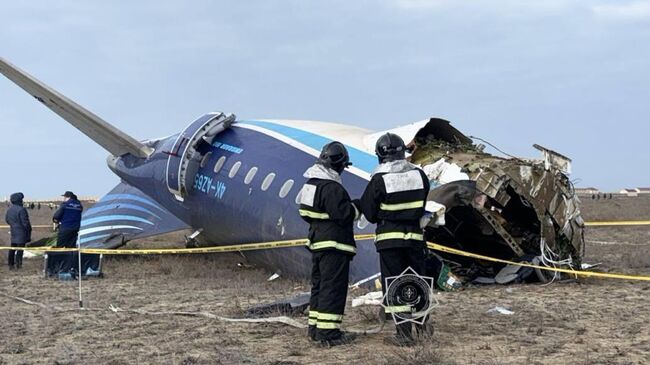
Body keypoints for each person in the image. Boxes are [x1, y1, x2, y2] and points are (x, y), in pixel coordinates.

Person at [357, 133, 431, 346]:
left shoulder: (379, 179)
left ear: (380, 155)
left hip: (390, 242)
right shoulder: (419, 175)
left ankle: (404, 334)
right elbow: (423, 203)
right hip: (415, 239)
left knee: (396, 284)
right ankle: (423, 325)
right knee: (418, 281)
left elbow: (369, 213)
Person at [298, 141, 359, 347]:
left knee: (320, 286)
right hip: (334, 246)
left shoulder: (310, 184)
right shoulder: (332, 187)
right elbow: (343, 215)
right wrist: (357, 207)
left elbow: (304, 213)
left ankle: (315, 329)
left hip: (317, 243)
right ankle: (329, 333)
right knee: (333, 288)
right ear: (340, 164)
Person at [5, 192, 32, 269]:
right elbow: (25, 222)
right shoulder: (22, 210)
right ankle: (19, 264)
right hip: (22, 232)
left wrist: (13, 225)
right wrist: (29, 230)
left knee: (12, 248)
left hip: (13, 231)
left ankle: (10, 264)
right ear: (19, 200)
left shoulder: (9, 209)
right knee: (20, 249)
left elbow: (7, 220)